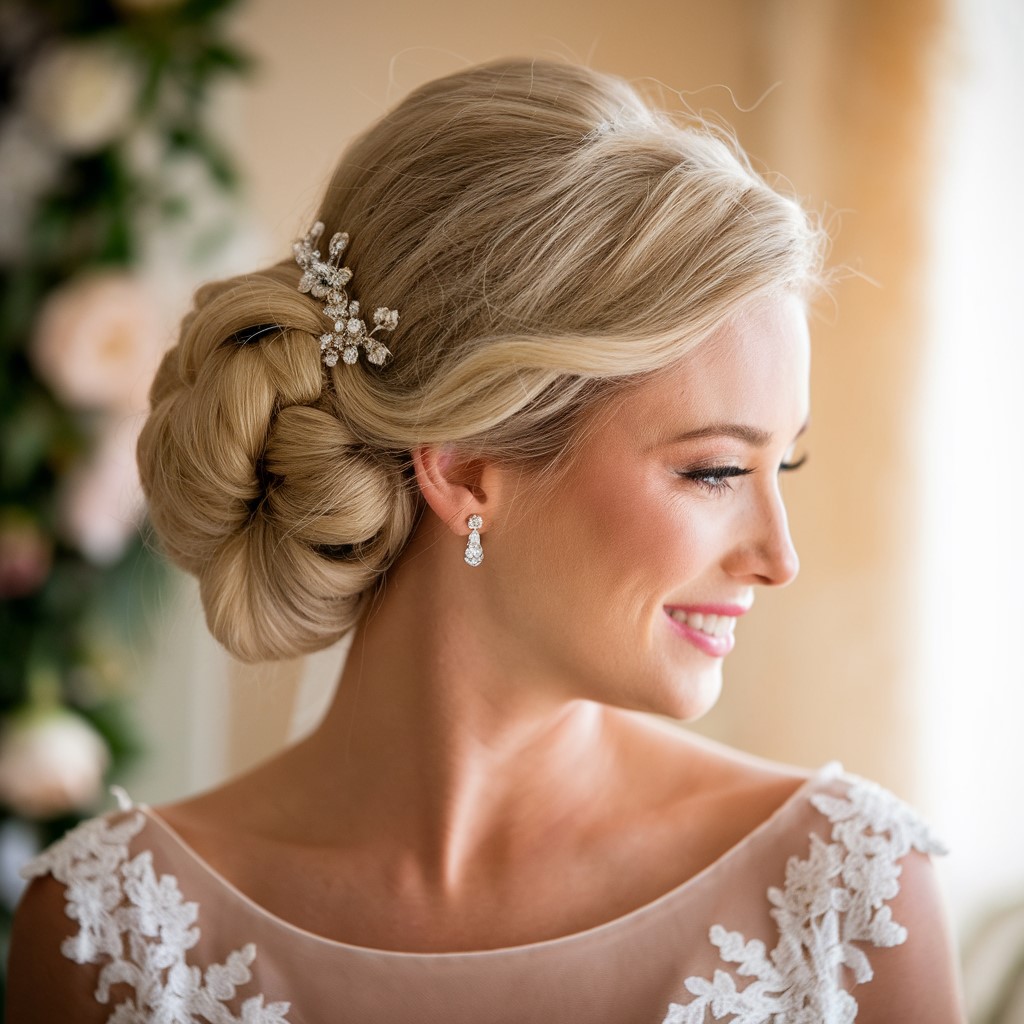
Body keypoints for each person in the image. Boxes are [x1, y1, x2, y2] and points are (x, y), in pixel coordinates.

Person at [6, 59, 964, 1023]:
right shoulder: (108, 934)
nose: (777, 557)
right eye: (715, 472)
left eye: (781, 469)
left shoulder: (853, 899)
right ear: (465, 470)